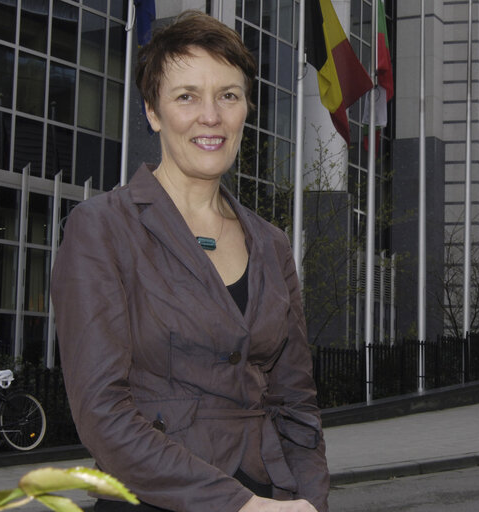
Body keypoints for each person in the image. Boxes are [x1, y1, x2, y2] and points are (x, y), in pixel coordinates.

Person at [51, 11, 328, 512]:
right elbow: (101, 413)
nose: (211, 116)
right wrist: (239, 506)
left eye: (228, 95)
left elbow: (296, 402)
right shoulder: (102, 228)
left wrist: (309, 500)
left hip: (272, 497)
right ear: (153, 112)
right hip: (153, 500)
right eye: (186, 96)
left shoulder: (271, 243)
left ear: (246, 108)